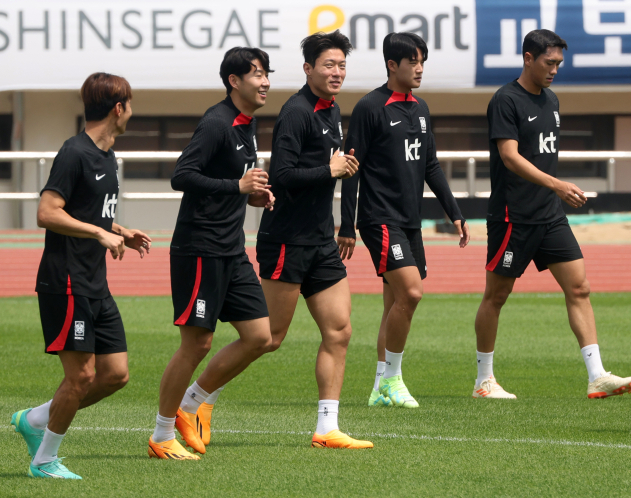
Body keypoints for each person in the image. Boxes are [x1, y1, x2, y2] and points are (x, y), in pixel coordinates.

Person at [473, 29, 631, 399]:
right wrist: (558, 185)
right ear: (528, 58)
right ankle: (484, 380)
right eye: (549, 63)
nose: (554, 70)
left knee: (580, 287)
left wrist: (554, 192)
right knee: (496, 296)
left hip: (549, 216)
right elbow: (510, 157)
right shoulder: (505, 100)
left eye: (559, 64)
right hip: (513, 216)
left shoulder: (552, 100)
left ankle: (597, 375)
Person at [10, 72, 152, 479]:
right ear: (118, 108)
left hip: (94, 281)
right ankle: (44, 461)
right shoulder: (74, 153)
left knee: (115, 375)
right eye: (130, 105)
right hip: (66, 281)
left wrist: (120, 230)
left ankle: (35, 419)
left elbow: (89, 210)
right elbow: (47, 212)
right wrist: (99, 233)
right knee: (82, 375)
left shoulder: (107, 156)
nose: (131, 113)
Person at [148, 47, 276, 460]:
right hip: (199, 248)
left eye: (267, 73)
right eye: (256, 74)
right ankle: (161, 435)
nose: (266, 81)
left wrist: (252, 196)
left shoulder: (246, 125)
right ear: (233, 81)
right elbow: (182, 176)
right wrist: (236, 188)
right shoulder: (217, 122)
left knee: (260, 337)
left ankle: (192, 404)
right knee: (197, 344)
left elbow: (230, 181)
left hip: (231, 248)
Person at [338, 32, 470, 408]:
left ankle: (380, 387)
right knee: (411, 293)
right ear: (392, 65)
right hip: (379, 218)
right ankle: (393, 380)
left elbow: (430, 165)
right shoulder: (369, 107)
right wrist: (347, 225)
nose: (420, 69)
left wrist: (453, 211)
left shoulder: (421, 108)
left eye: (422, 61)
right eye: (413, 62)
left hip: (410, 221)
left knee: (395, 301)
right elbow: (351, 170)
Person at [255, 31, 372, 449]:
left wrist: (344, 223)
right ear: (308, 69)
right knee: (267, 339)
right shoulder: (296, 113)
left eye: (341, 65)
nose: (337, 72)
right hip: (287, 239)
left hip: (321, 242)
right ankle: (197, 399)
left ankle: (327, 427)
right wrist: (331, 171)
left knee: (339, 331)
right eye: (328, 65)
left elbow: (335, 169)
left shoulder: (331, 110)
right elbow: (282, 176)